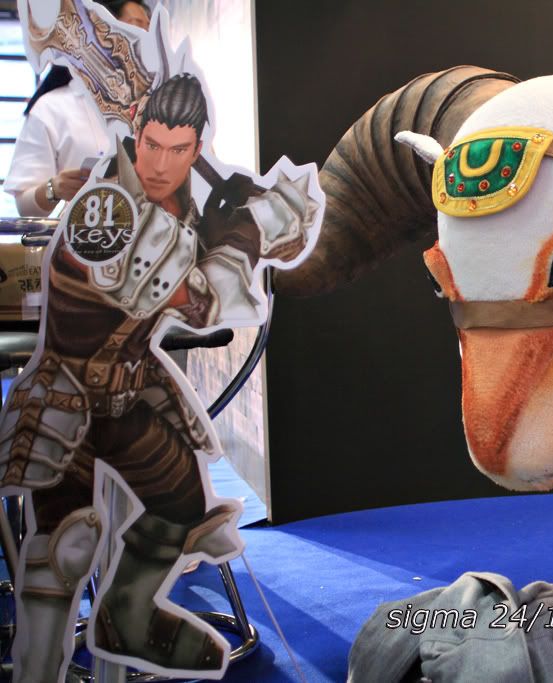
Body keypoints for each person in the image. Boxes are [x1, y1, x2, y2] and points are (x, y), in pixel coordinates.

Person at [0, 72, 319, 682]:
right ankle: (37, 672)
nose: (160, 164)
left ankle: (126, 615)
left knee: (183, 507)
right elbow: (195, 298)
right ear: (135, 134)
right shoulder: (107, 205)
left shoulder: (185, 205)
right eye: (152, 144)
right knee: (64, 548)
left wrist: (255, 216)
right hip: (66, 401)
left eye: (178, 149)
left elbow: (285, 240)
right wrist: (246, 232)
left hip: (128, 394)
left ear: (197, 149)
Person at [2, 0, 150, 217]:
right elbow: (25, 208)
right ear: (98, 34)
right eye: (134, 26)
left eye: (148, 29)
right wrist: (54, 188)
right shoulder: (51, 108)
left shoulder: (158, 103)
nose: (144, 40)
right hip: (81, 234)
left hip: (150, 235)